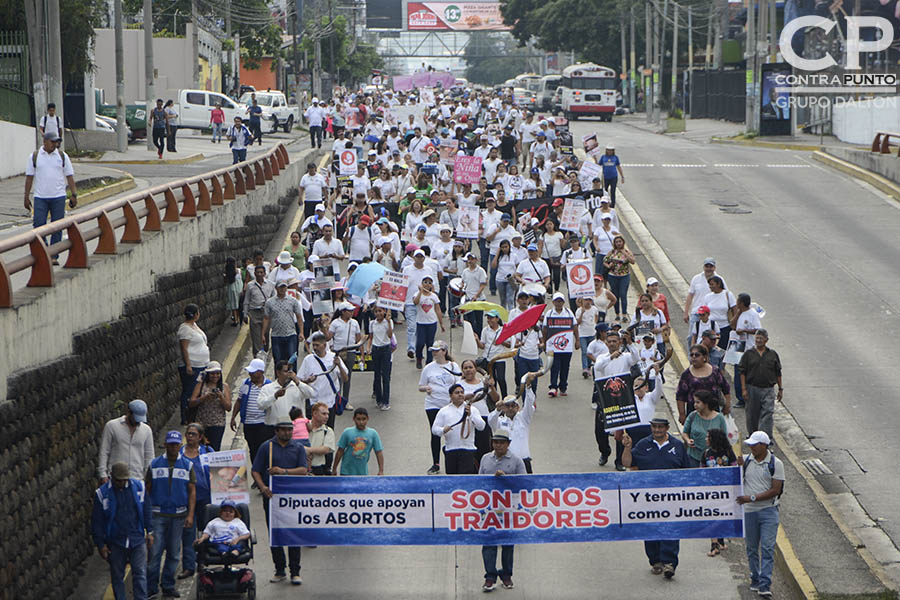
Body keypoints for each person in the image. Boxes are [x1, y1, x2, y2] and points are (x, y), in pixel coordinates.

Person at [621, 418, 689, 579]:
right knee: (650, 528)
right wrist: (627, 448)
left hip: (672, 498)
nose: (657, 430)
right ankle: (655, 561)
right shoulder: (643, 445)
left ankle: (669, 563)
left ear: (667, 428)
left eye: (660, 427)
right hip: (648, 497)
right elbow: (627, 463)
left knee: (670, 529)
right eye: (654, 427)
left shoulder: (677, 446)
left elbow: (686, 471)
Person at [251, 419, 308, 585]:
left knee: (293, 534)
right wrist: (263, 488)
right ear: (276, 431)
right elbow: (255, 471)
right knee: (275, 534)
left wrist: (283, 471)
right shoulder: (266, 447)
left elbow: (303, 470)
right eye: (283, 430)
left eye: (289, 430)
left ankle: (295, 571)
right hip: (272, 498)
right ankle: (280, 569)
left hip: (292, 499)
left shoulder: (298, 448)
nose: (287, 433)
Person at [146, 430, 196, 599]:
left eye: (176, 444)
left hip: (179, 516)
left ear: (180, 445)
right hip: (157, 515)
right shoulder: (154, 464)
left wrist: (190, 515)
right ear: (165, 444)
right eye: (170, 444)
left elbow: (191, 491)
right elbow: (147, 491)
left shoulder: (188, 465)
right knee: (155, 553)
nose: (173, 447)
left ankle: (168, 585)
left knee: (174, 553)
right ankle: (151, 587)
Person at [91, 462, 153, 600]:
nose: (122, 482)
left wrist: (150, 532)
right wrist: (101, 544)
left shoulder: (139, 488)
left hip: (137, 539)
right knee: (117, 576)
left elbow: (146, 510)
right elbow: (98, 522)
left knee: (140, 573)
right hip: (116, 542)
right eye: (119, 480)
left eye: (125, 479)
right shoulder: (102, 494)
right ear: (112, 477)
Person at [737, 431, 785, 598]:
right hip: (749, 512)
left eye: (754, 445)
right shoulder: (746, 461)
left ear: (764, 446)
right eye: (750, 444)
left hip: (768, 511)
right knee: (751, 548)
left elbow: (775, 490)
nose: (751, 447)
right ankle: (755, 578)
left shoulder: (775, 464)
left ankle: (765, 584)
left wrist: (751, 498)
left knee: (767, 547)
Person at [478, 429, 526, 592]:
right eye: (495, 442)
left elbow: (523, 485)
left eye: (501, 442)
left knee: (507, 544)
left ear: (508, 444)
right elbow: (479, 483)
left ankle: (506, 575)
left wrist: (506, 479)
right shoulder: (485, 459)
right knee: (489, 543)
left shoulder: (517, 461)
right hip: (489, 509)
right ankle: (490, 577)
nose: (497, 445)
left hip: (508, 510)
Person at [23, 131, 77, 264]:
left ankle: (53, 256)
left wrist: (74, 195)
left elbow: (69, 176)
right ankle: (45, 250)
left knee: (57, 227)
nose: (55, 144)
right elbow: (29, 178)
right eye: (52, 142)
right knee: (39, 225)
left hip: (58, 196)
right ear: (45, 142)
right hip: (40, 197)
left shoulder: (62, 156)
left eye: (56, 142)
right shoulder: (35, 157)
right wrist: (26, 196)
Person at [419, 340, 461, 474]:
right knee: (435, 432)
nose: (434, 353)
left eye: (437, 350)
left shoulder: (454, 366)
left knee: (453, 431)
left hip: (449, 405)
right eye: (433, 351)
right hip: (433, 404)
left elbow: (460, 384)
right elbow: (420, 386)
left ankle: (453, 457)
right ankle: (435, 463)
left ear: (444, 351)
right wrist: (426, 388)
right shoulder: (428, 368)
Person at [178, 423, 213, 580]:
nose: (189, 437)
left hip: (205, 497)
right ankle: (188, 566)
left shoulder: (208, 452)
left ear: (200, 437)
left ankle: (203, 562)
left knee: (205, 531)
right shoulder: (179, 454)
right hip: (185, 499)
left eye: (193, 434)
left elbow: (219, 473)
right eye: (188, 434)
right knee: (188, 533)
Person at [298, 332, 349, 430]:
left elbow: (345, 378)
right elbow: (299, 381)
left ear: (324, 345)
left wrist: (339, 365)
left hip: (329, 403)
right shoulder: (308, 360)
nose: (315, 348)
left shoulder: (333, 357)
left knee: (328, 431)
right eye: (313, 345)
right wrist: (308, 380)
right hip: (313, 402)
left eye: (317, 345)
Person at [432, 383, 486, 474]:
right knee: (452, 478)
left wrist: (471, 415)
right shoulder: (444, 411)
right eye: (457, 393)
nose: (460, 394)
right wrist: (443, 430)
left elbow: (481, 426)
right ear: (450, 395)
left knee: (466, 478)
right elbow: (434, 429)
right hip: (451, 450)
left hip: (468, 449)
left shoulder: (472, 409)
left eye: (462, 392)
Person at [738, 329, 782, 439]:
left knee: (767, 414)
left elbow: (778, 372)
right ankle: (753, 437)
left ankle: (765, 439)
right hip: (752, 388)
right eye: (757, 338)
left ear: (766, 340)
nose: (758, 340)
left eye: (761, 338)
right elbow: (742, 372)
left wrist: (780, 388)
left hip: (768, 389)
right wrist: (744, 389)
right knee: (752, 415)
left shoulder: (772, 354)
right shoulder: (748, 354)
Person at [98, 399, 154, 483]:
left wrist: (148, 478)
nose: (137, 422)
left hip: (137, 478)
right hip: (115, 478)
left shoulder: (146, 430)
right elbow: (104, 451)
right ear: (129, 412)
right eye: (135, 418)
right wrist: (103, 474)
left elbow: (149, 455)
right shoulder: (112, 426)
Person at [701, 427, 738, 556]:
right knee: (713, 516)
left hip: (726, 492)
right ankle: (714, 545)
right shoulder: (706, 453)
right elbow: (701, 472)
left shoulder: (728, 452)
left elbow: (735, 470)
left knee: (722, 517)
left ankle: (720, 540)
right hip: (711, 492)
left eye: (708, 437)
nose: (706, 439)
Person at [231, 358, 273, 463]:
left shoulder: (269, 385)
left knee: (264, 450)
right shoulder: (245, 383)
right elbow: (239, 401)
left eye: (253, 372)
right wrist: (233, 417)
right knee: (253, 450)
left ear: (261, 372)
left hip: (263, 424)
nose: (251, 374)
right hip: (249, 424)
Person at [676, 344, 731, 424]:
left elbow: (726, 388)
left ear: (704, 357)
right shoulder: (686, 374)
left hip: (713, 412)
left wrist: (727, 405)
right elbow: (680, 396)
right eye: (692, 355)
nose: (694, 357)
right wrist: (682, 414)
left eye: (697, 355)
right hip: (693, 413)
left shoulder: (715, 371)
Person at [188, 361, 232, 451]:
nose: (215, 376)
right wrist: (204, 397)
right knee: (200, 449)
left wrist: (221, 397)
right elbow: (191, 402)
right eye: (212, 373)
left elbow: (228, 407)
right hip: (201, 423)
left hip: (217, 424)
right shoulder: (200, 385)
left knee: (214, 449)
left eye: (217, 373)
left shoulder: (224, 386)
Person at [177, 303, 209, 424]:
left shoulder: (193, 326)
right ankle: (186, 417)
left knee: (197, 390)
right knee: (189, 390)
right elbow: (184, 348)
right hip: (193, 366)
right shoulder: (185, 329)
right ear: (196, 314)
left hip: (201, 364)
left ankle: (194, 415)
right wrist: (188, 365)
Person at [730, 292, 762, 408]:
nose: (736, 303)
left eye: (738, 302)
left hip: (748, 348)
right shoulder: (740, 313)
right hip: (738, 346)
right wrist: (738, 313)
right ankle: (740, 398)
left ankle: (750, 397)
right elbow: (732, 325)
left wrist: (744, 331)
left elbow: (758, 330)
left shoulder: (752, 314)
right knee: (738, 372)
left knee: (747, 373)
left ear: (742, 303)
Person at [258, 360, 314, 427]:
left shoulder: (298, 387)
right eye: (285, 371)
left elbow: (311, 394)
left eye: (290, 371)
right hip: (274, 427)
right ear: (278, 373)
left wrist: (297, 381)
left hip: (296, 427)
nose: (289, 374)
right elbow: (261, 405)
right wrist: (275, 396)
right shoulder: (267, 388)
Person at [544, 292, 578, 397]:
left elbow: (575, 327)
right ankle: (553, 387)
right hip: (553, 347)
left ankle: (563, 387)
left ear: (563, 302)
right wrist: (544, 343)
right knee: (554, 366)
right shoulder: (549, 314)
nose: (558, 303)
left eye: (560, 301)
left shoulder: (568, 313)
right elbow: (545, 329)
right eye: (556, 301)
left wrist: (577, 340)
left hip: (566, 347)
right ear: (553, 302)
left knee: (565, 367)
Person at [262, 281, 305, 365]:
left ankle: (293, 377)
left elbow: (299, 317)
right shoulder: (269, 302)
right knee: (278, 360)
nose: (282, 289)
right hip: (276, 335)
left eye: (284, 287)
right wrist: (263, 334)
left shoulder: (293, 301)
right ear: (276, 288)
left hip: (291, 334)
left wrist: (301, 332)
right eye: (280, 287)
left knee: (292, 359)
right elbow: (266, 318)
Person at [681, 390, 727, 467]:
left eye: (698, 402)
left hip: (713, 459)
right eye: (694, 402)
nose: (695, 405)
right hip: (694, 456)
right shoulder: (692, 416)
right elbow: (685, 432)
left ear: (706, 403)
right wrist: (688, 440)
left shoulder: (719, 418)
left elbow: (724, 437)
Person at [332, 407, 385, 475]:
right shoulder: (347, 432)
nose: (361, 422)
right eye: (358, 419)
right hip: (346, 471)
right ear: (353, 419)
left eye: (364, 419)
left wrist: (381, 470)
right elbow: (340, 451)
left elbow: (378, 452)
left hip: (362, 472)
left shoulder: (373, 434)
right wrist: (334, 468)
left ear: (368, 419)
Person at [683, 257, 726, 331]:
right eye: (707, 266)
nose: (708, 269)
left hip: (711, 314)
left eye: (711, 266)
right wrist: (686, 312)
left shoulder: (719, 279)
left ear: (714, 268)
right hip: (696, 312)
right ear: (703, 267)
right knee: (691, 337)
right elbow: (690, 296)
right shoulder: (696, 278)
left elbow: (725, 294)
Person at [243, 265, 275, 356]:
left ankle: (264, 355)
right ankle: (257, 359)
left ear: (265, 274)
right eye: (258, 272)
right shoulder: (250, 285)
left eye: (262, 272)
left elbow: (274, 299)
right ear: (255, 274)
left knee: (265, 337)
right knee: (256, 338)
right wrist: (245, 314)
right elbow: (247, 300)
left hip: (266, 314)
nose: (260, 274)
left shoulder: (270, 284)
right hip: (254, 313)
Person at [603, 235, 635, 323]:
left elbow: (632, 261)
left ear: (623, 242)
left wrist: (624, 253)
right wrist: (609, 266)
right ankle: (617, 314)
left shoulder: (627, 252)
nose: (618, 243)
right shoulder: (612, 252)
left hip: (624, 276)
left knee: (623, 294)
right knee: (615, 295)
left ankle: (624, 314)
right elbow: (605, 260)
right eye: (617, 242)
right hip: (613, 276)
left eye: (620, 242)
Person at [701, 276, 736, 349]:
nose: (710, 287)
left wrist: (734, 324)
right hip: (711, 328)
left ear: (719, 284)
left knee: (723, 350)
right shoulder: (708, 297)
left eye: (712, 284)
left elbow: (734, 309)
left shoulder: (728, 295)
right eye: (709, 285)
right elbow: (704, 311)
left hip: (724, 327)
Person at [306, 402, 337, 475]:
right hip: (302, 467)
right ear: (315, 413)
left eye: (327, 414)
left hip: (319, 468)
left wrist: (308, 450)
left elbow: (326, 449)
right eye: (324, 414)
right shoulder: (303, 426)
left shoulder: (328, 431)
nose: (327, 417)